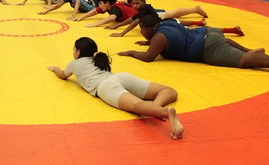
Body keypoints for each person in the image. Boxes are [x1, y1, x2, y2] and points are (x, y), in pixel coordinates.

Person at [47, 37, 184, 140]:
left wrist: (55, 69)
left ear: (77, 52)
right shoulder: (96, 59)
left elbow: (63, 75)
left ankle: (164, 112)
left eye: (73, 49)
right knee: (169, 91)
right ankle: (156, 107)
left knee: (138, 106)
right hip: (121, 77)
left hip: (105, 86)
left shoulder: (74, 63)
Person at [118, 15, 269, 79]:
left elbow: (149, 57)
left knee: (245, 62)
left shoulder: (158, 37)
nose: (141, 32)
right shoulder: (165, 23)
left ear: (150, 28)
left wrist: (130, 52)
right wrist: (148, 41)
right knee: (225, 44)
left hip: (207, 47)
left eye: (142, 30)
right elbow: (164, 39)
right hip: (208, 33)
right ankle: (249, 49)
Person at [109, 0, 209, 37]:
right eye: (133, 4)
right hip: (161, 22)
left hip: (163, 24)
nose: (134, 6)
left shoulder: (144, 8)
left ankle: (201, 25)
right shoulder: (142, 9)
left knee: (183, 27)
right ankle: (199, 23)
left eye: (137, 3)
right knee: (177, 22)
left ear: (143, 2)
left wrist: (122, 33)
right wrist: (117, 26)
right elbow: (132, 19)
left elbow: (135, 22)